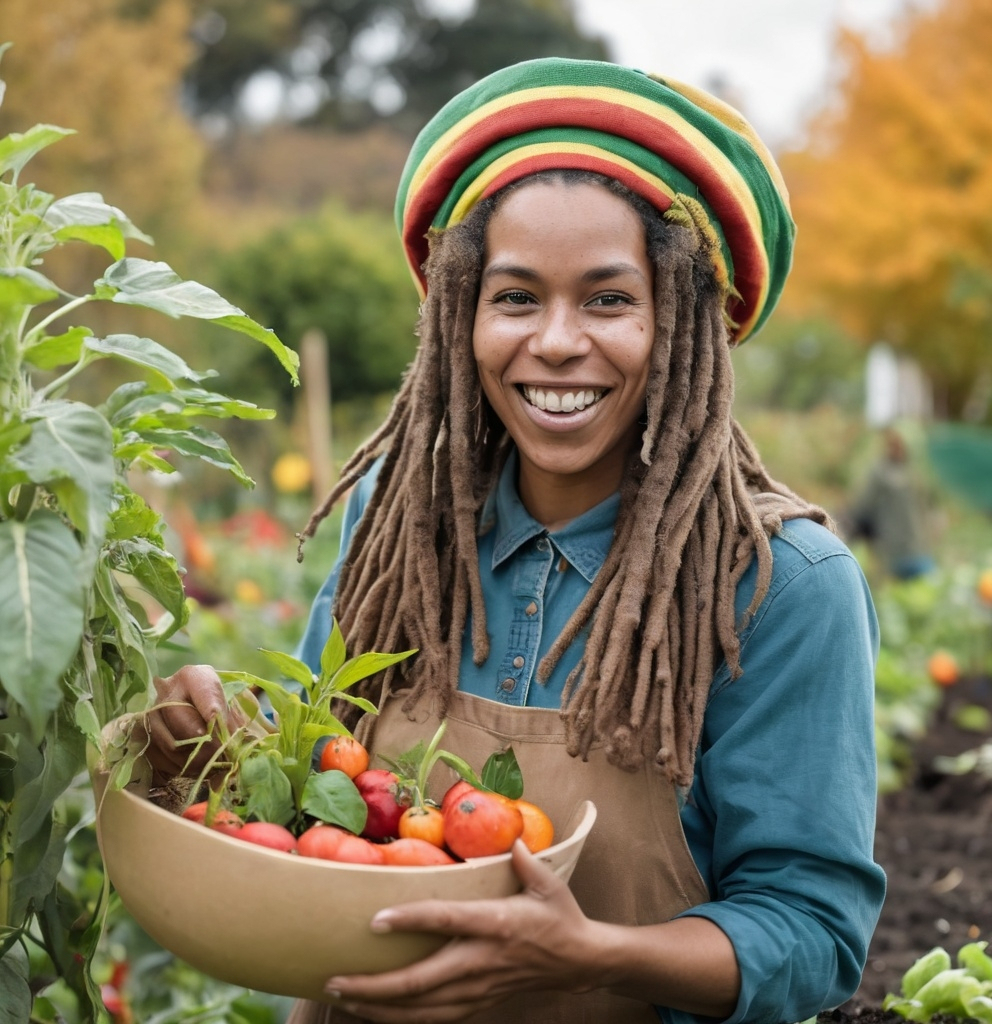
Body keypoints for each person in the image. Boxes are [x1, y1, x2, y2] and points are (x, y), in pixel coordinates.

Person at [152, 57, 885, 1024]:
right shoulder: (400, 521)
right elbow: (319, 792)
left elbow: (811, 933)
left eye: (610, 300)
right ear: (461, 314)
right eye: (516, 297)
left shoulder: (779, 585)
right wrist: (221, 750)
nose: (555, 341)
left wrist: (591, 956)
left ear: (682, 324)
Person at [846, 425, 936, 580]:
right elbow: (862, 506)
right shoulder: (880, 472)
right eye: (892, 444)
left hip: (919, 546)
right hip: (893, 549)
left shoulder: (915, 471)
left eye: (899, 444)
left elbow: (928, 507)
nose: (895, 449)